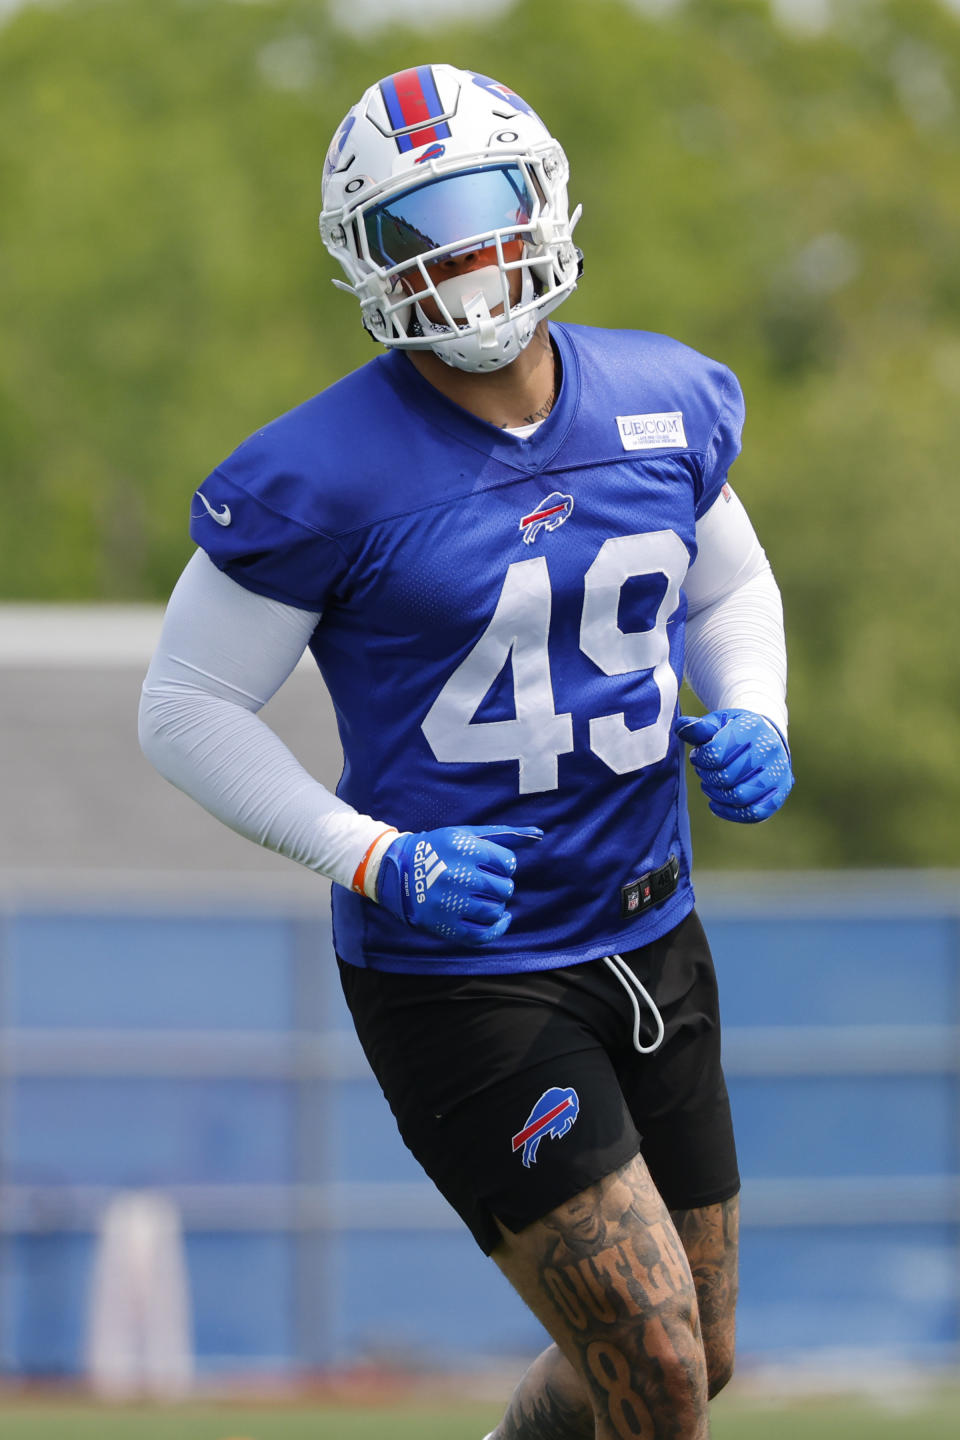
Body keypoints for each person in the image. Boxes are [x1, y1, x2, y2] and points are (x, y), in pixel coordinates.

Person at [139, 63, 793, 1440]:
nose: (462, 257)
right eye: (413, 230)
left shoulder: (663, 398)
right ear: (364, 260)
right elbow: (185, 704)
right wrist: (372, 854)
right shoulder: (318, 473)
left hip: (650, 922)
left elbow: (729, 587)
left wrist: (754, 713)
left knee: (698, 1353)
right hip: (464, 973)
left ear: (543, 201)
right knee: (660, 1367)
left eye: (483, 211)